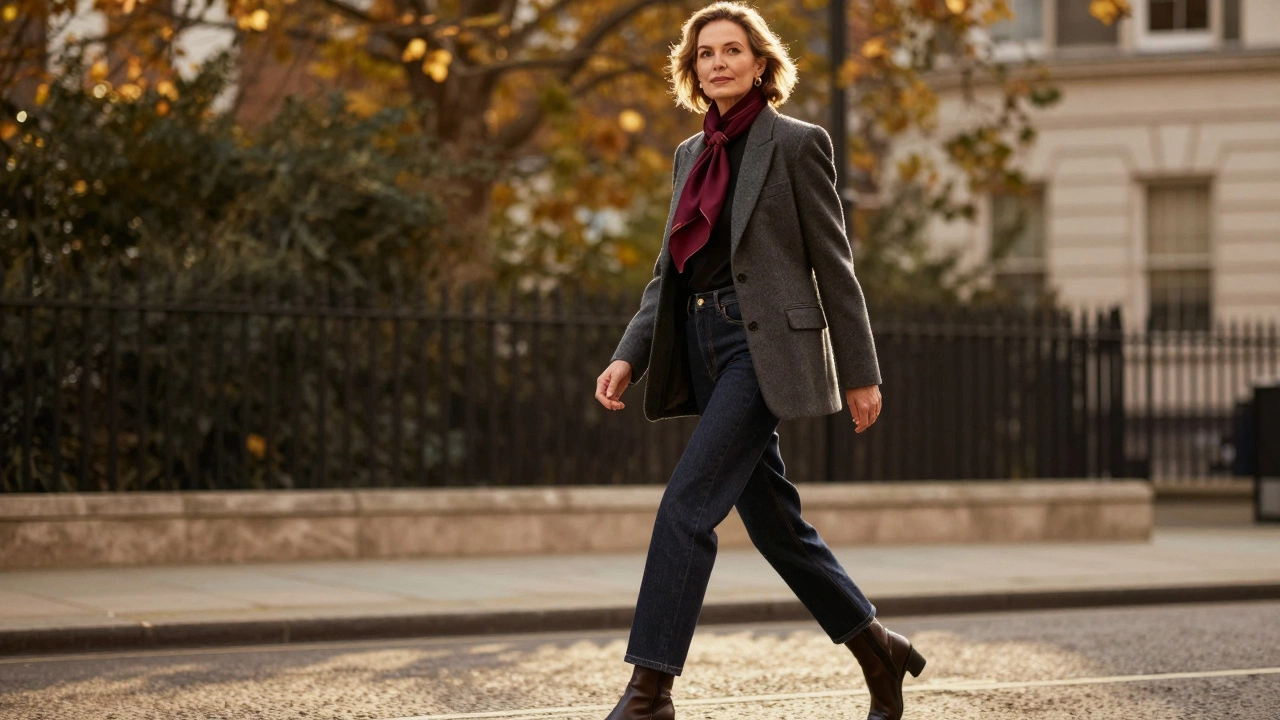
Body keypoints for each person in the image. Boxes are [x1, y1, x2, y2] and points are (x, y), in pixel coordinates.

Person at [592, 2, 925, 719]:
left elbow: (834, 266)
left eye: (731, 50)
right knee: (777, 526)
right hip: (703, 346)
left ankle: (650, 690)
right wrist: (630, 355)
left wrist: (860, 369)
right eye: (705, 53)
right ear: (693, 71)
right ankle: (879, 649)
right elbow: (668, 273)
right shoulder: (690, 155)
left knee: (686, 506)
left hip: (760, 348)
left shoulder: (797, 144)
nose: (718, 62)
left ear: (760, 63)